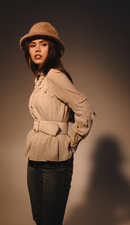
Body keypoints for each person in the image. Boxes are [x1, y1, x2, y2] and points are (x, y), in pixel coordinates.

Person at [19, 22, 95, 225]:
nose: (36, 49)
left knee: (50, 221)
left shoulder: (55, 76)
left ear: (52, 49)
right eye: (33, 44)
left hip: (56, 163)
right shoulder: (41, 78)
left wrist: (73, 141)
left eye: (42, 44)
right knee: (39, 218)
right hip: (34, 158)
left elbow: (84, 109)